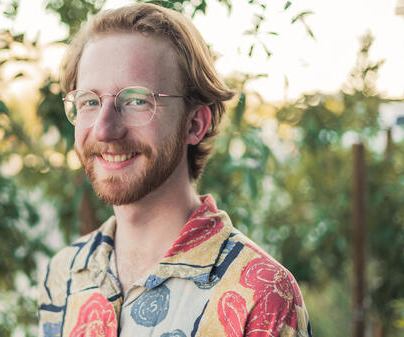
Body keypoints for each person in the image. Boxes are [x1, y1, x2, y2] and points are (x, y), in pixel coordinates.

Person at [38, 3, 311, 337]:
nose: (104, 129)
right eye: (89, 102)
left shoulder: (262, 295)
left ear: (194, 123)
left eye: (137, 100)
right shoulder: (63, 275)